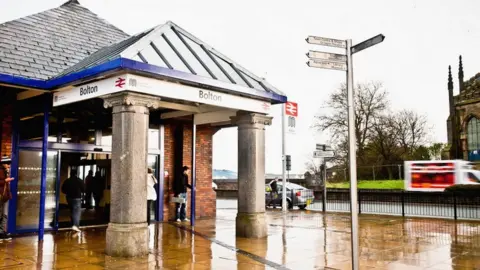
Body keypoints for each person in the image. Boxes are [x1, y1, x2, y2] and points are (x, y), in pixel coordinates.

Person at [0, 165, 14, 240]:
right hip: (1, 195)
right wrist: (5, 180)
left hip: (5, 196)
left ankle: (2, 232)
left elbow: (6, 185)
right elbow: (4, 182)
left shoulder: (4, 169)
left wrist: (9, 194)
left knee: (5, 214)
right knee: (1, 214)